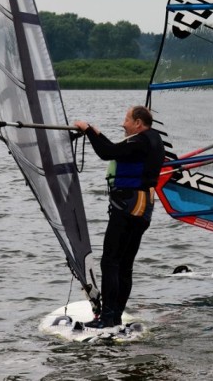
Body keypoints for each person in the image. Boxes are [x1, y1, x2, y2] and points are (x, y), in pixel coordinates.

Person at [74, 106, 165, 329]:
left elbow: (107, 153)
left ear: (138, 123)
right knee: (124, 264)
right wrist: (95, 133)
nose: (123, 124)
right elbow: (114, 148)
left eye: (126, 120)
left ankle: (107, 318)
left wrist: (87, 131)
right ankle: (115, 316)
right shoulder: (153, 139)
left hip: (128, 205)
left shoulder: (140, 141)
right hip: (145, 207)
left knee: (110, 261)